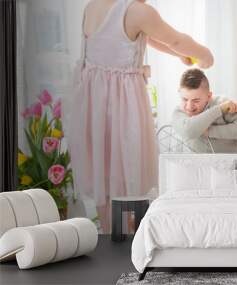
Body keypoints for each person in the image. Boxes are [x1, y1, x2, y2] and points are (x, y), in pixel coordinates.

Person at [67, 0, 214, 232]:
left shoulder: (93, 6)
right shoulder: (138, 11)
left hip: (93, 108)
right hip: (122, 108)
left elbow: (147, 37)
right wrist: (204, 55)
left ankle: (109, 232)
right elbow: (175, 38)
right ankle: (131, 239)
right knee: (128, 169)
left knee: (104, 172)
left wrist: (177, 54)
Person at [171, 68, 237, 153]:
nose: (189, 106)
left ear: (208, 96)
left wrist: (209, 131)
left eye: (196, 100)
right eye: (185, 99)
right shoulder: (178, 113)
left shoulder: (222, 102)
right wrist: (219, 109)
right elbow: (189, 131)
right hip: (205, 165)